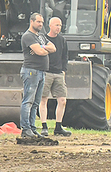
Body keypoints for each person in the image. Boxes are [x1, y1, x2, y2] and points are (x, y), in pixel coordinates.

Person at [20, 13, 56, 141]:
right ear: (31, 21)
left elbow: (53, 48)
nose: (40, 24)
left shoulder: (40, 36)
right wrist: (44, 49)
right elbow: (40, 52)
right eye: (38, 22)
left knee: (35, 102)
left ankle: (32, 128)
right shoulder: (28, 36)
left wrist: (42, 47)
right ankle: (25, 129)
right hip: (31, 71)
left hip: (41, 72)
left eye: (42, 22)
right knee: (28, 101)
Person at [38, 17, 72, 137]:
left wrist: (63, 70)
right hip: (46, 72)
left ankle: (58, 126)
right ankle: (44, 126)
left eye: (60, 25)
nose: (59, 27)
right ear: (50, 25)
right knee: (43, 99)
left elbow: (65, 56)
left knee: (62, 100)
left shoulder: (62, 40)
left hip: (58, 73)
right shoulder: (43, 39)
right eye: (56, 25)